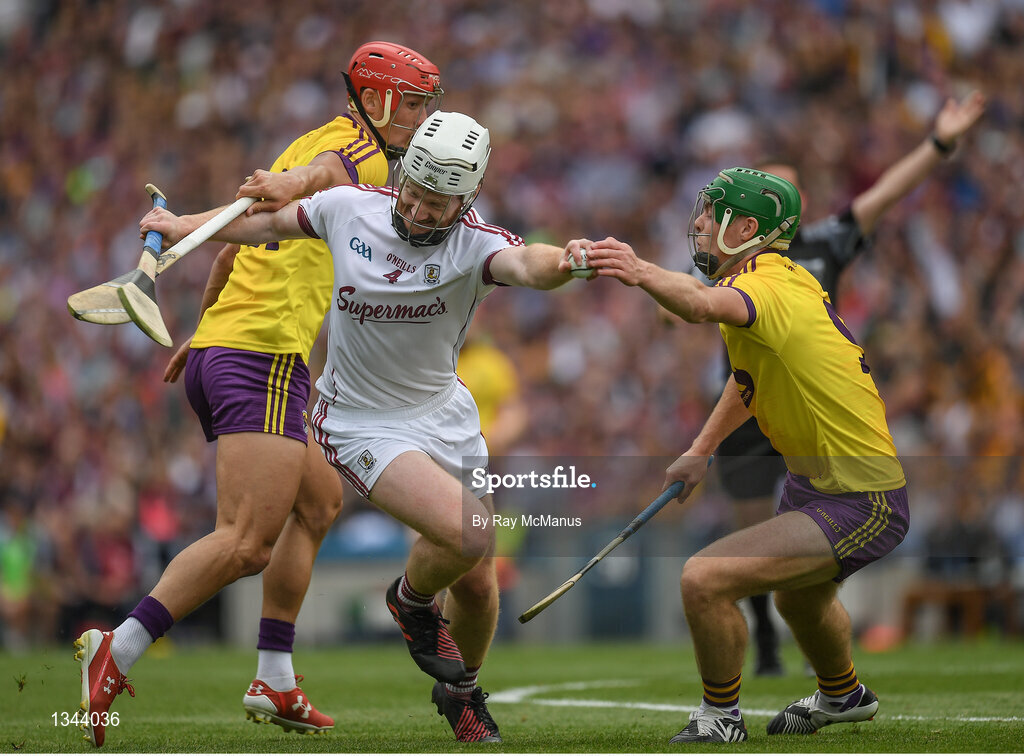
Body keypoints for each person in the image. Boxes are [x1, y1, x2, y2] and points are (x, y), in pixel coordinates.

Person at [139, 110, 586, 744]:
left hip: (444, 416)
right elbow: (259, 225)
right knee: (471, 532)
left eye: (438, 204)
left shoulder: (476, 243)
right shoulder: (349, 209)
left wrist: (567, 261)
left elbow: (528, 264)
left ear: (468, 199)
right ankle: (409, 600)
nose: (419, 212)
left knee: (481, 588)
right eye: (414, 192)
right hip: (360, 420)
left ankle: (460, 690)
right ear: (402, 176)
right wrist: (182, 227)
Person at [73, 41, 444, 748]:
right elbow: (321, 176)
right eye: (418, 103)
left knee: (319, 500)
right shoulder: (354, 153)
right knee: (244, 542)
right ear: (376, 101)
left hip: (235, 347)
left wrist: (202, 329)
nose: (427, 118)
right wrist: (260, 200)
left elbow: (231, 246)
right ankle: (114, 650)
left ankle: (273, 675)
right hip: (263, 354)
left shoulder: (325, 139)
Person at [581, 166, 910, 743]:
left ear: (749, 227)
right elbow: (748, 379)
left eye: (713, 215)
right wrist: (701, 449)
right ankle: (844, 695)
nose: (701, 225)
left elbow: (702, 307)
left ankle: (720, 718)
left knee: (704, 579)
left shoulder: (766, 286)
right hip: (819, 486)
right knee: (797, 599)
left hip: (862, 495)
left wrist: (639, 271)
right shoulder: (776, 277)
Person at [714, 90, 985, 676]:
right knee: (751, 530)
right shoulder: (729, 254)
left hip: (811, 403)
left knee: (815, 519)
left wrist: (939, 143)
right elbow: (685, 302)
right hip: (745, 400)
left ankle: (812, 634)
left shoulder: (825, 241)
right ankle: (763, 639)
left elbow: (887, 191)